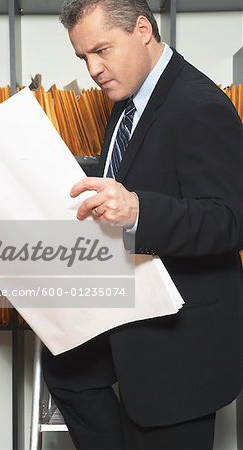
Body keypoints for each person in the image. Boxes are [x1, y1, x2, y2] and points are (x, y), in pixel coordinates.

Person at [42, 1, 243, 448]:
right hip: (130, 300)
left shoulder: (200, 105)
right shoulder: (129, 95)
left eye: (102, 50)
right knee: (66, 369)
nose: (94, 69)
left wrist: (138, 211)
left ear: (142, 29)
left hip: (181, 332)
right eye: (83, 58)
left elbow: (230, 219)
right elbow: (142, 170)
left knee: (152, 419)